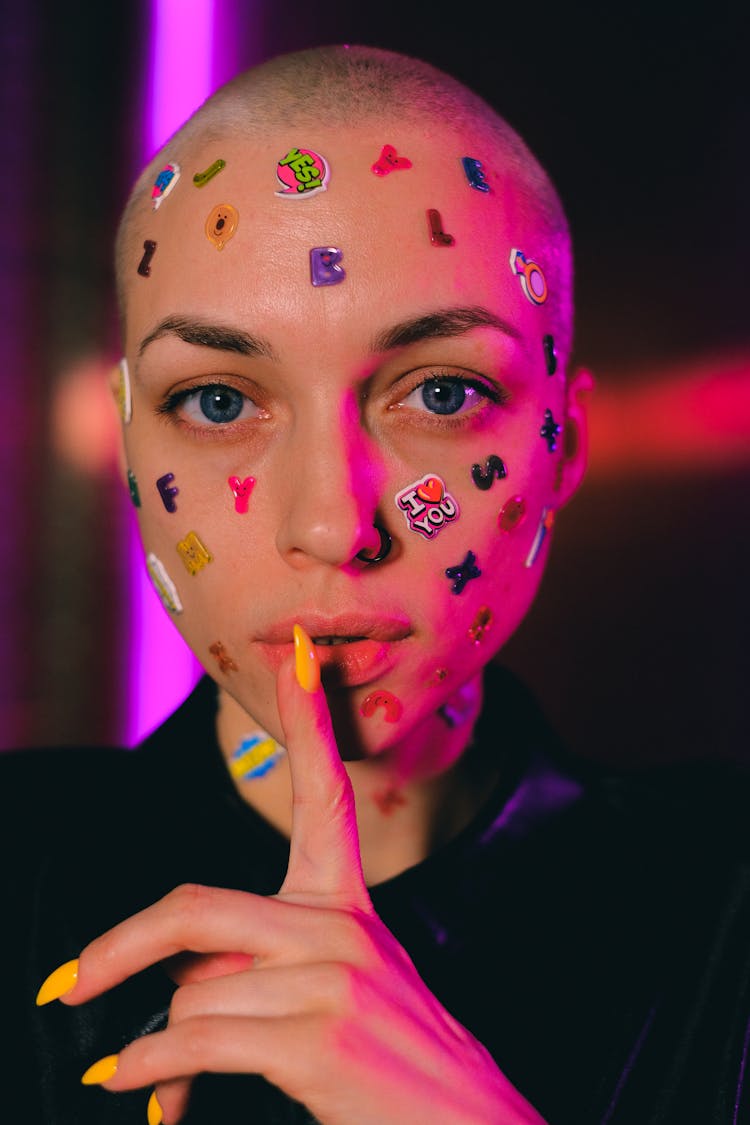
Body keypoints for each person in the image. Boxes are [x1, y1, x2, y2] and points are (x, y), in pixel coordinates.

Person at [4, 43, 748, 1125]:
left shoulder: (724, 902)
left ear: (565, 446)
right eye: (218, 403)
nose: (331, 526)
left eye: (440, 392)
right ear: (125, 445)